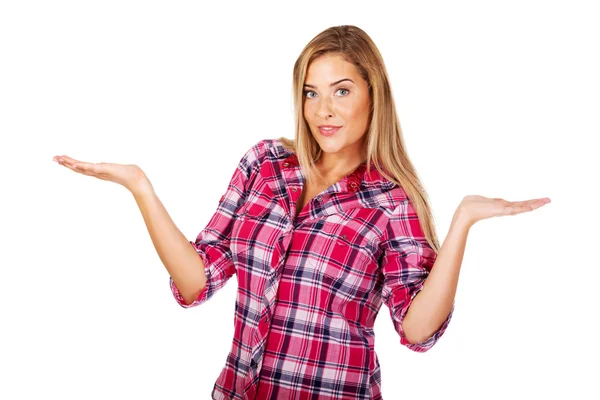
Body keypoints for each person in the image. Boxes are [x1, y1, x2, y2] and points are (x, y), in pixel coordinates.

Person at [52, 25, 551, 400]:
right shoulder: (264, 165)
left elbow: (416, 331)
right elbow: (196, 282)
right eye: (312, 92)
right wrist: (141, 187)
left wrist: (462, 222)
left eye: (342, 91)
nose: (322, 110)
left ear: (373, 94)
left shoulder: (391, 202)